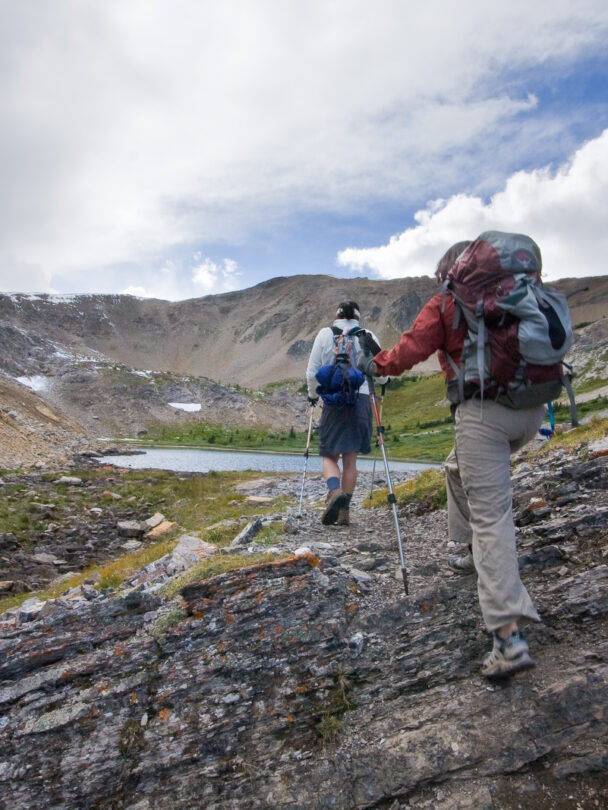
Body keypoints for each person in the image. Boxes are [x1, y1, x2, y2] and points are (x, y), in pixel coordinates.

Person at [359, 242, 544, 678]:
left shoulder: (447, 299)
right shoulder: (517, 293)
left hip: (484, 414)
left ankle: (508, 639)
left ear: (450, 271)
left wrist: (377, 365)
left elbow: (411, 349)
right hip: (533, 409)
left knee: (493, 518)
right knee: (455, 466)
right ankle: (463, 549)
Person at [306, 301, 387, 527]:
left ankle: (334, 492)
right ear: (358, 318)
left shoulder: (324, 334)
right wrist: (384, 381)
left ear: (337, 316)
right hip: (360, 399)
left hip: (334, 401)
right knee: (350, 459)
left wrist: (313, 396)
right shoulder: (368, 335)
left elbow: (312, 371)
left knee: (329, 455)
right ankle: (344, 512)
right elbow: (380, 371)